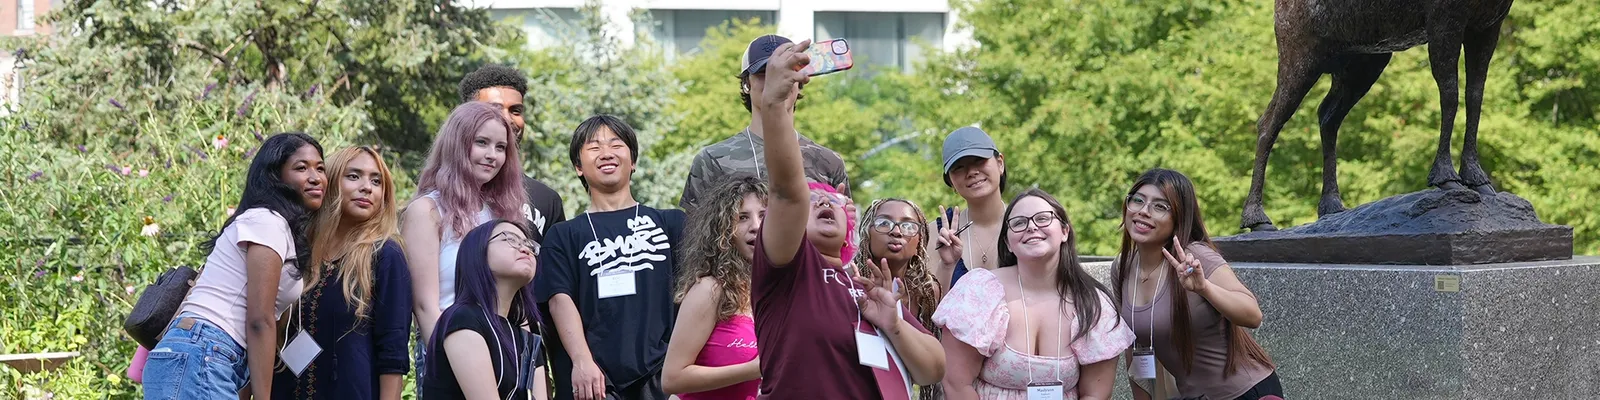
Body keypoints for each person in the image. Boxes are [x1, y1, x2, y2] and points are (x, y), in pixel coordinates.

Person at [750, 40, 944, 400]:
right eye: (814, 199)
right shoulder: (784, 270)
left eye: (832, 199)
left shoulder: (867, 284)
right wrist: (775, 104)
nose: (823, 200)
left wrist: (893, 322)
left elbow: (932, 368)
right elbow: (787, 193)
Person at [142, 133, 326, 399]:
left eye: (320, 168)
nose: (316, 176)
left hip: (206, 355)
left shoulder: (277, 228)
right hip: (203, 351)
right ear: (275, 176)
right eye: (301, 167)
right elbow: (260, 320)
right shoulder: (267, 221)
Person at [535, 115, 685, 400]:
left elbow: (696, 295)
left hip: (664, 377)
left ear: (633, 161)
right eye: (593, 147)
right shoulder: (563, 235)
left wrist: (685, 371)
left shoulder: (671, 224)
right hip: (594, 383)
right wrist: (581, 361)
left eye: (616, 145)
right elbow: (558, 299)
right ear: (578, 167)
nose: (606, 153)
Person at [934, 188, 1133, 400]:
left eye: (1043, 218)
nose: (1031, 227)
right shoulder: (979, 290)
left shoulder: (1092, 304)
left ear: (1064, 231)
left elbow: (1096, 394)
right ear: (1008, 243)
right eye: (1019, 222)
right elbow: (957, 384)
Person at [1112, 168, 1280, 400]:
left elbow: (1253, 316)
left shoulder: (1195, 257)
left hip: (1245, 392)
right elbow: (1134, 344)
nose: (1143, 211)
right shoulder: (1123, 266)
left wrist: (1204, 288)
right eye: (1138, 200)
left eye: (1160, 206)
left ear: (1179, 218)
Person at [405, 102, 529, 388]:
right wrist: (447, 363)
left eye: (501, 147)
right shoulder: (427, 211)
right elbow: (425, 305)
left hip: (501, 353)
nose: (492, 156)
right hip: (445, 351)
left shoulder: (502, 215)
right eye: (482, 143)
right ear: (458, 144)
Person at [271, 147, 412, 399]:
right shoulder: (297, 247)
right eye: (354, 176)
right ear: (331, 181)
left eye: (376, 181)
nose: (367, 187)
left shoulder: (385, 254)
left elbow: (393, 352)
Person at [678, 34, 850, 211]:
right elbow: (693, 234)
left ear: (800, 82)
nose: (776, 82)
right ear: (747, 84)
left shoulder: (829, 162)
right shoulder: (712, 160)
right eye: (764, 73)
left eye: (786, 73)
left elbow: (845, 234)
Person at [663, 175, 766, 400]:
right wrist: (755, 368)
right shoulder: (710, 289)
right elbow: (672, 379)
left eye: (764, 216)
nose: (756, 226)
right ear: (723, 230)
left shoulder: (776, 293)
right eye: (742, 217)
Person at [423, 220, 547, 400]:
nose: (525, 249)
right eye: (510, 239)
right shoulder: (462, 319)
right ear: (478, 253)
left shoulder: (528, 341)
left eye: (528, 244)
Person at [458, 64, 567, 239]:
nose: (507, 118)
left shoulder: (546, 199)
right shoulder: (439, 196)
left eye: (516, 111)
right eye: (494, 109)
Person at [854, 198, 944, 400]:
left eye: (908, 226)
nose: (896, 232)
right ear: (867, 232)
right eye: (884, 223)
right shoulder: (851, 283)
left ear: (920, 238)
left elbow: (931, 368)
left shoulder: (927, 292)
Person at [930, 127, 1008, 294]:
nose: (972, 172)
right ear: (950, 182)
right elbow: (927, 313)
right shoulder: (936, 234)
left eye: (979, 160)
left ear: (1000, 163)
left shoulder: (1029, 225)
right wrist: (946, 266)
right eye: (958, 167)